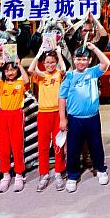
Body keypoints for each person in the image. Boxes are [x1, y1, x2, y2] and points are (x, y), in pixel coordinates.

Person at [58, 42, 110, 193]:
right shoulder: (69, 76)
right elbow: (62, 98)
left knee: (96, 145)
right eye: (78, 59)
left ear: (88, 61)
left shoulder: (93, 72)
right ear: (74, 60)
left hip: (93, 118)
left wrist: (94, 48)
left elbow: (106, 63)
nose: (81, 62)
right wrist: (63, 118)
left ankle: (100, 169)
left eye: (84, 59)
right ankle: (72, 176)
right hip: (75, 119)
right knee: (73, 148)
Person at [0, 59, 30, 193]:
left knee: (17, 146)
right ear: (4, 72)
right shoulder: (0, 83)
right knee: (4, 146)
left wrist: (20, 65)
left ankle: (19, 175)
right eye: (7, 70)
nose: (10, 72)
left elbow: (27, 81)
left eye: (13, 69)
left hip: (16, 115)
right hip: (3, 115)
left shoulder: (20, 83)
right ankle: (5, 175)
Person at [28, 47, 66, 192]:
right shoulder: (41, 76)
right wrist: (38, 54)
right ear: (43, 63)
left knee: (58, 144)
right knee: (43, 145)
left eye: (52, 62)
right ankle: (43, 174)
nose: (50, 65)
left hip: (57, 113)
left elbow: (63, 68)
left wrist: (59, 53)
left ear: (56, 62)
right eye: (47, 62)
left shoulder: (59, 75)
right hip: (43, 113)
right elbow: (31, 70)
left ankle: (58, 173)